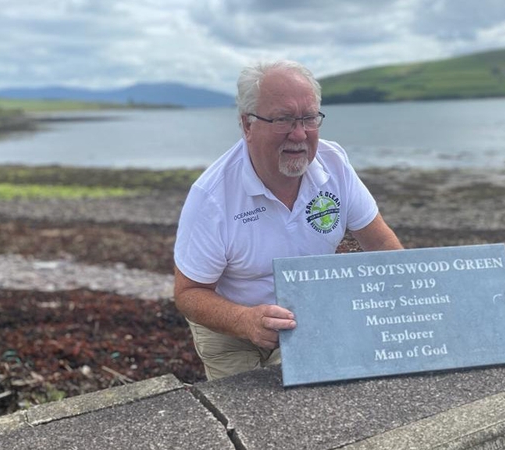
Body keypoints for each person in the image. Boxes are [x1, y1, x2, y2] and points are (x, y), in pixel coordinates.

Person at [173, 59, 403, 381]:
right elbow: (189, 293)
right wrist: (245, 321)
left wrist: (410, 298)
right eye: (283, 119)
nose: (299, 134)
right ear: (247, 125)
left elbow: (380, 243)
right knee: (251, 418)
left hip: (308, 315)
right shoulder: (211, 198)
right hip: (230, 330)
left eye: (309, 118)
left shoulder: (334, 165)